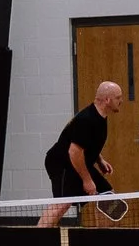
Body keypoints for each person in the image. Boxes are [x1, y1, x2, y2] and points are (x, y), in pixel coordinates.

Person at [38, 81, 123, 228]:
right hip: (62, 162)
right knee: (63, 203)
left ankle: (103, 240)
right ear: (108, 100)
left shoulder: (100, 116)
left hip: (77, 160)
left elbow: (87, 143)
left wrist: (100, 160)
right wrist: (87, 180)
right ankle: (35, 239)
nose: (121, 101)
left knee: (107, 197)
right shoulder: (87, 119)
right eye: (118, 97)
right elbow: (74, 151)